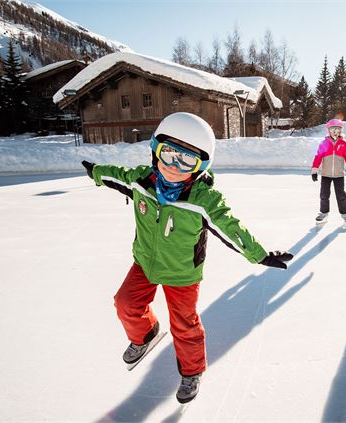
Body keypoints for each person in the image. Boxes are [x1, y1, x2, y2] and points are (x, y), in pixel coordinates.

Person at [81, 112, 293, 404]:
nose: (173, 167)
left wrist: (260, 255)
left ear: (201, 166)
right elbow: (115, 175)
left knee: (185, 325)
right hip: (145, 262)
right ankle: (146, 334)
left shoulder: (203, 200)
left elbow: (231, 227)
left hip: (182, 274)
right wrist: (95, 172)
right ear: (155, 150)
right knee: (126, 303)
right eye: (168, 154)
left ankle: (192, 371)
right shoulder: (142, 180)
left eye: (186, 161)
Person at [311, 118, 346, 226]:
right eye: (333, 129)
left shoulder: (344, 144)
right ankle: (324, 213)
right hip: (326, 174)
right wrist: (314, 171)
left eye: (338, 129)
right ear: (329, 130)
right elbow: (318, 157)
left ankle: (344, 214)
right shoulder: (324, 143)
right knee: (324, 195)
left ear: (341, 131)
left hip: (339, 175)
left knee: (341, 195)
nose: (335, 131)